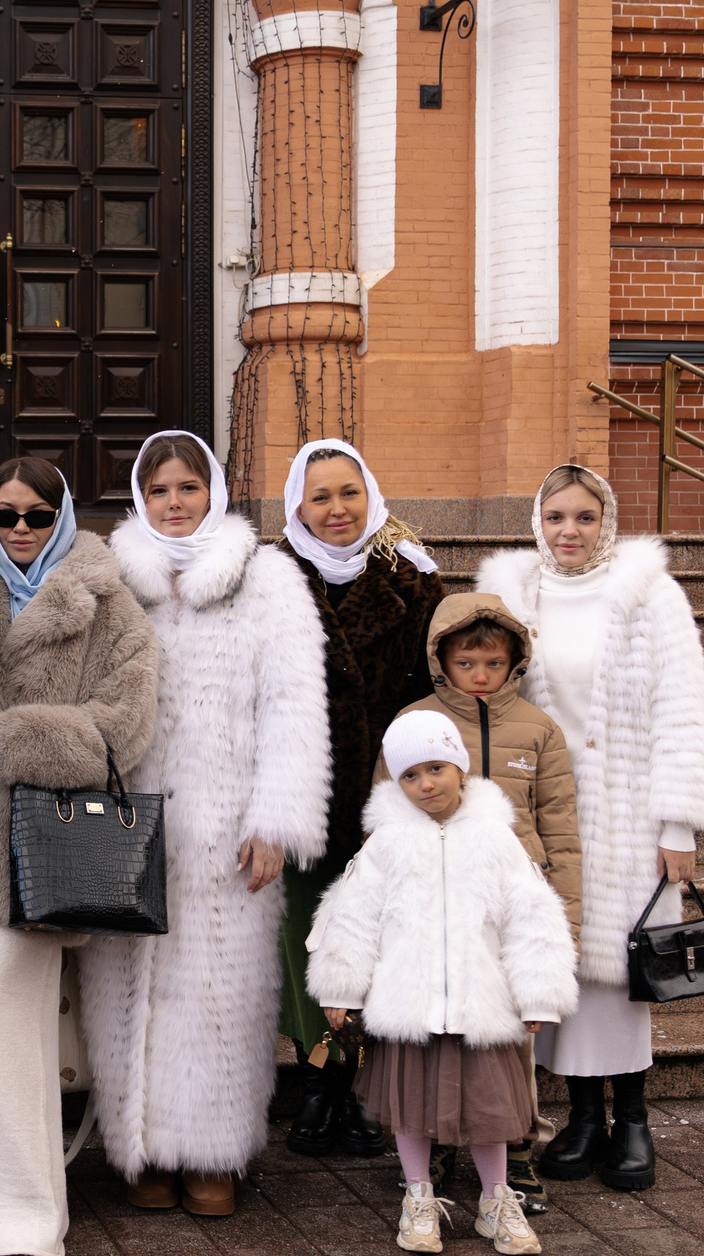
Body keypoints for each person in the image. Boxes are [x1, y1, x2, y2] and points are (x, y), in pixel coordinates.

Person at [85, 431, 330, 1216]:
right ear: (140, 498)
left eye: (189, 487)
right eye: (160, 491)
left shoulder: (268, 581)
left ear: (214, 492)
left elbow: (295, 709)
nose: (175, 502)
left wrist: (276, 819)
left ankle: (215, 1154)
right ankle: (143, 1149)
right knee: (128, 984)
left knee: (222, 994)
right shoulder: (112, 578)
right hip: (130, 823)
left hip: (228, 832)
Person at [0, 459, 157, 1256]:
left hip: (41, 844)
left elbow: (127, 722)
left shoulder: (107, 596)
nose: (21, 528)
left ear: (63, 516)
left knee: (4, 1015)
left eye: (38, 513)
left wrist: (15, 732)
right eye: (6, 513)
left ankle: (21, 1214)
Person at [480, 464, 704, 1193]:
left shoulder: (650, 595)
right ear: (537, 522)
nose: (570, 531)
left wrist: (677, 824)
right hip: (545, 814)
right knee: (561, 964)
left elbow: (683, 711)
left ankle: (634, 1119)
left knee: (623, 970)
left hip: (626, 809)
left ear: (606, 520)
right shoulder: (512, 594)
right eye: (556, 517)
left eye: (584, 516)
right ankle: (583, 1117)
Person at [307, 712, 578, 1256]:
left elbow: (533, 917)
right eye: (410, 775)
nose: (425, 784)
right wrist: (341, 987)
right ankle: (419, 1195)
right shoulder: (386, 842)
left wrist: (539, 991)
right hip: (410, 1003)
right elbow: (353, 916)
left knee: (490, 1109)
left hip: (481, 1004)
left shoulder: (496, 839)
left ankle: (497, 1199)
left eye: (436, 768)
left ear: (460, 768)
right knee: (409, 1106)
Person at [377, 593, 582, 1211]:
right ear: (442, 663)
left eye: (494, 664)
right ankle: (437, 1141)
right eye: (468, 665)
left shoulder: (540, 728)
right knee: (438, 1027)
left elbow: (560, 822)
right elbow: (385, 816)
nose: (481, 677)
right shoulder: (416, 722)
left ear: (514, 663)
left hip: (512, 906)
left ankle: (515, 1147)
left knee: (506, 1036)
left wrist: (566, 911)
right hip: (438, 905)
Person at [275, 438, 447, 1158]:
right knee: (305, 938)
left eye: (349, 493)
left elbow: (434, 690)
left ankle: (354, 1082)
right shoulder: (271, 575)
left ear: (370, 494)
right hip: (302, 790)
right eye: (321, 496)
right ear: (297, 505)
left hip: (385, 792)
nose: (337, 509)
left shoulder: (411, 577)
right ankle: (317, 1080)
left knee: (375, 939)